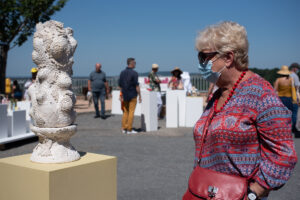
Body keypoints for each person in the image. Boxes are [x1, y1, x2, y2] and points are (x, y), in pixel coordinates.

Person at [183, 21, 297, 200]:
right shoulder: (218, 92)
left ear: (228, 58)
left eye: (204, 57)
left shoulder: (261, 94)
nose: (200, 63)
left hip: (237, 195)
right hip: (205, 190)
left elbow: (283, 154)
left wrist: (254, 193)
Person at [118, 58, 142, 134]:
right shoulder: (134, 73)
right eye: (134, 63)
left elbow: (120, 85)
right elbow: (137, 86)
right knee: (131, 112)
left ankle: (124, 128)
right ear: (131, 63)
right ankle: (129, 129)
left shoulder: (122, 72)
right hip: (132, 94)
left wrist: (121, 95)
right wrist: (140, 96)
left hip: (125, 94)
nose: (135, 64)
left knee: (125, 112)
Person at [289, 63, 300, 134]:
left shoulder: (288, 75)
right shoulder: (295, 76)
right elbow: (297, 87)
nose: (298, 70)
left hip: (287, 96)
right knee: (295, 113)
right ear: (294, 68)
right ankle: (293, 128)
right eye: (297, 68)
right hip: (294, 96)